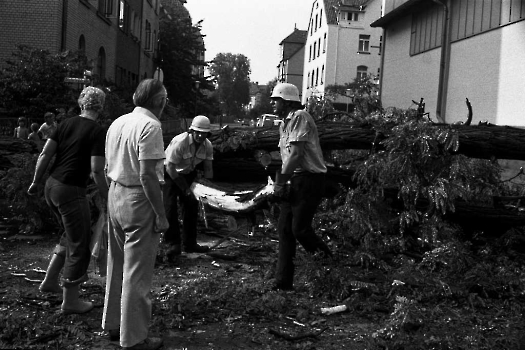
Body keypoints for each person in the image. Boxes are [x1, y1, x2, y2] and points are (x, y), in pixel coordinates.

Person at [27, 86, 108, 312]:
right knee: (80, 243)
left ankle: (50, 281)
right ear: (101, 106)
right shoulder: (97, 131)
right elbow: (97, 170)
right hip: (71, 190)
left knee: (69, 234)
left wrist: (35, 181)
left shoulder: (65, 124)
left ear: (81, 104)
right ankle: (71, 301)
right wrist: (108, 196)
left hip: (52, 186)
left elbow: (45, 154)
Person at [103, 79, 168, 350]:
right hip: (138, 198)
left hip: (115, 192)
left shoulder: (117, 123)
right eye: (164, 99)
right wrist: (161, 214)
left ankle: (113, 324)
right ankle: (134, 339)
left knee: (116, 264)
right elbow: (148, 175)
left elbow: (108, 164)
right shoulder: (150, 126)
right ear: (158, 100)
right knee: (137, 273)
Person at [270, 82, 332, 291]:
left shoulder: (300, 117)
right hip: (295, 179)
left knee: (300, 229)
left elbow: (296, 155)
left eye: (276, 100)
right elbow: (288, 156)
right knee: (285, 229)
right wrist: (283, 179)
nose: (272, 103)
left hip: (309, 180)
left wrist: (280, 181)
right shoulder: (284, 124)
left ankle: (328, 264)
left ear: (287, 101)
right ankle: (283, 282)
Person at [163, 115, 213, 259]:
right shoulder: (180, 142)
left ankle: (190, 243)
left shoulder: (207, 145)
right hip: (170, 174)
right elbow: (170, 168)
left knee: (192, 206)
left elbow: (208, 169)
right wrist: (184, 188)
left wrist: (208, 189)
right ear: (192, 131)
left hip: (189, 174)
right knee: (170, 208)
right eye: (197, 132)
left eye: (203, 133)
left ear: (207, 134)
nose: (200, 135)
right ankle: (172, 244)